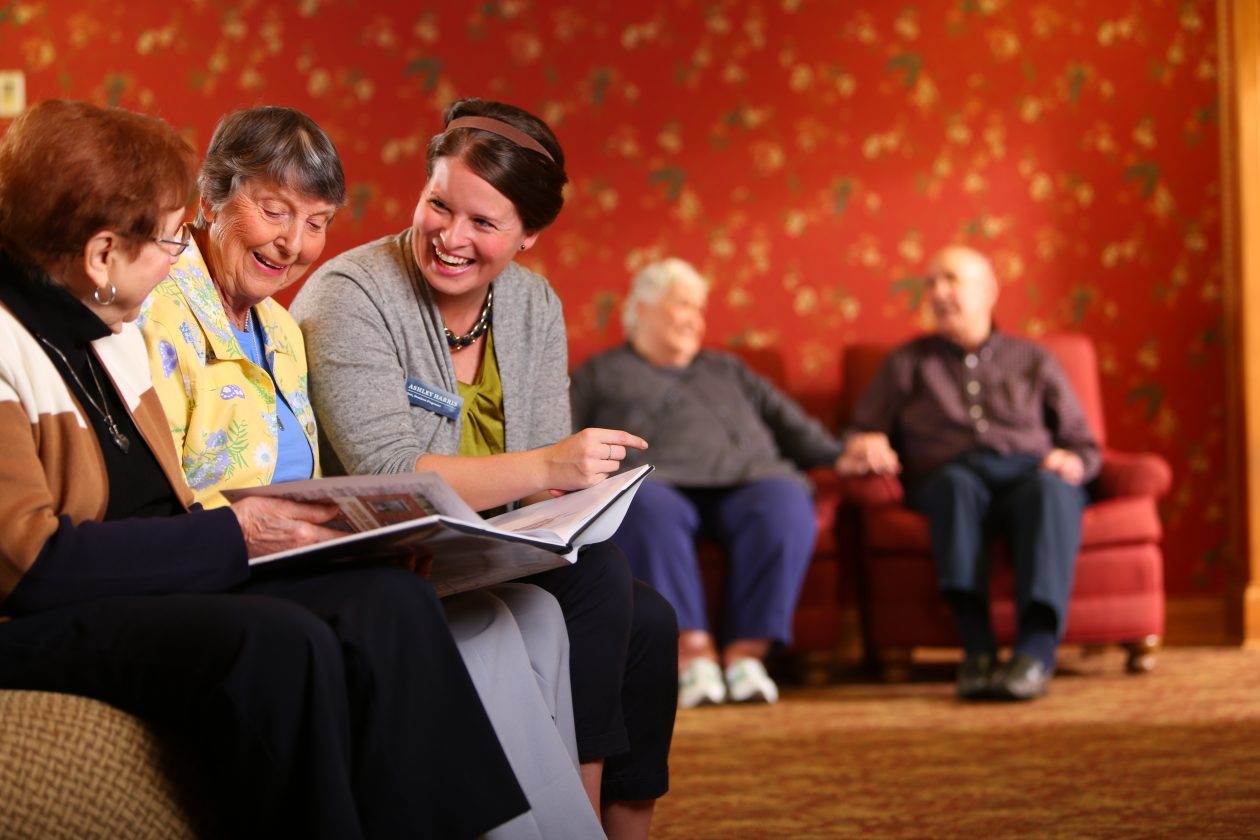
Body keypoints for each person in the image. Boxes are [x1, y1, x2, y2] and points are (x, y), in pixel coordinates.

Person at [0, 99, 527, 839]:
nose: (178, 254)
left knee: (390, 601)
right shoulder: (17, 341)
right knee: (280, 643)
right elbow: (32, 566)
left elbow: (164, 499)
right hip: (41, 610)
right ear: (98, 255)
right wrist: (233, 536)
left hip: (143, 572)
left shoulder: (107, 323)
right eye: (167, 237)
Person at [138, 105, 600, 838]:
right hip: (232, 560)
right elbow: (160, 490)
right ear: (214, 197)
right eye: (273, 210)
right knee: (426, 613)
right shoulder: (156, 312)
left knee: (539, 613)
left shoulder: (282, 332)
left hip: (305, 553)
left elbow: (316, 476)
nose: (293, 244)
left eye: (317, 221)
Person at [291, 98, 678, 840]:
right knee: (600, 585)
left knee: (651, 622)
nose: (449, 236)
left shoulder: (532, 304)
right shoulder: (351, 296)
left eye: (483, 223)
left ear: (528, 236)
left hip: (491, 549)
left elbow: (547, 482)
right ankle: (579, 826)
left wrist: (567, 481)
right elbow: (388, 469)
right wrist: (546, 466)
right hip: (389, 552)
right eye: (438, 205)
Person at [572, 258, 847, 709]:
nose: (696, 320)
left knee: (786, 498)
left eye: (700, 309)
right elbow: (565, 440)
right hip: (659, 483)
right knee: (643, 503)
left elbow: (802, 434)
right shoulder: (599, 372)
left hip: (750, 480)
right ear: (641, 308)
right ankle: (692, 655)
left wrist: (850, 452)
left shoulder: (729, 369)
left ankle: (747, 656)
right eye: (684, 305)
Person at [838, 245, 1099, 701]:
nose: (938, 292)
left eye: (951, 280)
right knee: (955, 487)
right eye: (931, 283)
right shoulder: (907, 364)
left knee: (1052, 490)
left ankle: (1035, 653)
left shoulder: (1034, 360)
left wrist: (1072, 461)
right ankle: (976, 650)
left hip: (1027, 475)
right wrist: (867, 440)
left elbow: (1084, 444)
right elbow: (859, 430)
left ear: (989, 290)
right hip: (948, 478)